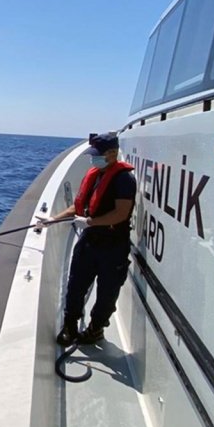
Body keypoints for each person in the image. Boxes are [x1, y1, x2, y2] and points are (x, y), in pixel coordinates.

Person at [37, 132, 137, 346]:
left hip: (113, 246)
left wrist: (90, 222)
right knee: (75, 285)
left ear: (112, 153)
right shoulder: (95, 174)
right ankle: (70, 326)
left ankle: (95, 329)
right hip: (89, 241)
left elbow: (121, 213)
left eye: (98, 155)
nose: (94, 159)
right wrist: (53, 219)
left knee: (107, 292)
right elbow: (79, 206)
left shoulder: (124, 180)